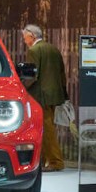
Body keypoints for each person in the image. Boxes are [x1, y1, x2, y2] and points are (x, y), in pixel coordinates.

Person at [21, 24, 67, 172]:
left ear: (32, 36)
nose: (24, 40)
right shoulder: (53, 49)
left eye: (25, 37)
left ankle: (55, 161)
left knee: (46, 130)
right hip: (54, 95)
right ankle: (47, 159)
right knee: (48, 128)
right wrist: (63, 94)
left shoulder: (34, 50)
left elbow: (32, 75)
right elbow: (62, 74)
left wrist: (21, 89)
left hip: (41, 96)